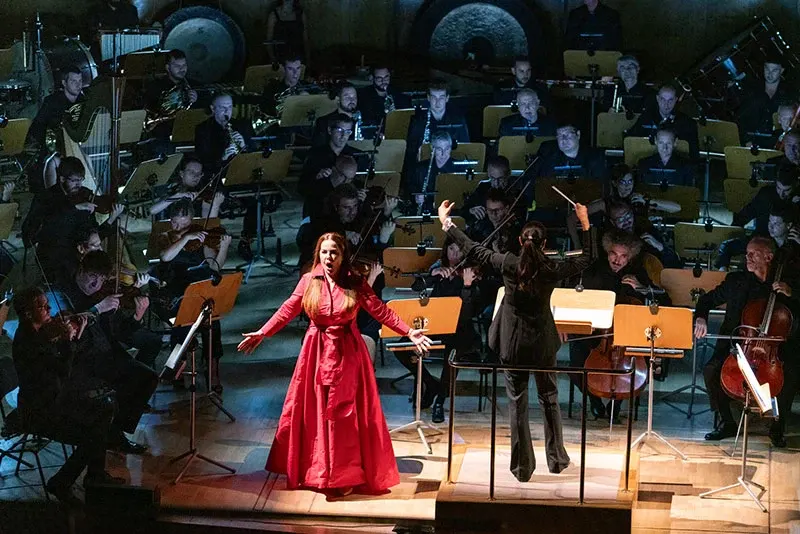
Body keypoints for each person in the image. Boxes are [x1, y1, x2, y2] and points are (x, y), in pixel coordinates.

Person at [238, 232, 431, 495]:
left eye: (334, 253)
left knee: (344, 416)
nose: (329, 258)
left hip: (348, 354)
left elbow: (379, 309)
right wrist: (263, 332)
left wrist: (408, 331)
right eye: (325, 252)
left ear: (343, 256)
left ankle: (344, 475)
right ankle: (319, 472)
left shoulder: (355, 281)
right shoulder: (308, 281)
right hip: (316, 353)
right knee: (316, 413)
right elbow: (287, 309)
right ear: (318, 254)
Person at [436, 198, 593, 480]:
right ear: (544, 245)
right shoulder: (552, 267)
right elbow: (586, 258)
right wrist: (584, 222)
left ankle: (522, 468)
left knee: (517, 402)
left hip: (513, 343)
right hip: (543, 342)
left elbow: (473, 249)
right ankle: (556, 460)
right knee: (549, 397)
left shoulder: (508, 263)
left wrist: (447, 223)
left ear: (522, 241)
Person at [12, 287, 122, 504]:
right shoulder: (29, 342)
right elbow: (63, 370)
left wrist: (74, 336)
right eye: (43, 306)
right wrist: (66, 340)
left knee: (106, 408)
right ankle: (63, 481)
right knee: (94, 432)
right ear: (27, 314)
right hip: (40, 410)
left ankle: (94, 475)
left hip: (56, 398)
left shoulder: (40, 332)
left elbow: (66, 367)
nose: (50, 309)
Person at [53, 251, 158, 454]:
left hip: (108, 354)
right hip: (82, 360)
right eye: (93, 276)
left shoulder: (102, 295)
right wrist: (97, 309)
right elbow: (67, 331)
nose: (96, 284)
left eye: (101, 279)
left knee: (148, 377)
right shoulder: (63, 294)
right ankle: (112, 435)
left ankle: (116, 431)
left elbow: (122, 333)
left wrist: (138, 316)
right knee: (126, 382)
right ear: (81, 270)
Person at [694, 236, 796, 447]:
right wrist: (701, 317)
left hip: (775, 348)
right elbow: (706, 300)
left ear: (769, 257)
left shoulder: (787, 283)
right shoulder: (736, 281)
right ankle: (727, 421)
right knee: (711, 370)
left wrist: (792, 294)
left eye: (753, 254)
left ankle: (777, 427)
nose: (747, 258)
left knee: (791, 374)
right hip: (738, 344)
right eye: (747, 253)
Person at [568, 230, 653, 419]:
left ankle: (618, 400)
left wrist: (642, 288)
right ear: (607, 252)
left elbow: (660, 297)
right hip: (594, 333)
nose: (617, 260)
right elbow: (576, 298)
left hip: (625, 334)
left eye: (623, 256)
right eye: (613, 254)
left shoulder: (637, 273)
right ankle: (594, 399)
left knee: (635, 360)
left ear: (630, 257)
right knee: (576, 365)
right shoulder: (593, 271)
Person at [157, 200, 233, 393]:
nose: (179, 228)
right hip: (175, 294)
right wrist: (185, 238)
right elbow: (165, 257)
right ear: (170, 220)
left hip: (198, 291)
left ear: (191, 220)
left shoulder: (201, 238)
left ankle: (213, 371)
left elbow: (214, 267)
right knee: (182, 325)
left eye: (184, 224)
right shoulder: (165, 237)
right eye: (176, 223)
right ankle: (177, 367)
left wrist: (223, 248)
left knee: (213, 323)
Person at [21, 157, 123, 283]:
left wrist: (111, 219)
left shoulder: (83, 195)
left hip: (78, 253)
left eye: (81, 180)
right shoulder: (45, 199)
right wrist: (74, 208)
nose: (79, 185)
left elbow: (91, 234)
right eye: (74, 181)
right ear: (62, 179)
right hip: (55, 255)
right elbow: (33, 233)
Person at [567, 164, 680, 246]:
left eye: (630, 181)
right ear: (614, 183)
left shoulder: (639, 199)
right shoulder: (605, 203)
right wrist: (577, 244)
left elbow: (676, 208)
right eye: (623, 182)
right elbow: (571, 218)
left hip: (643, 242)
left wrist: (648, 201)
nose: (627, 186)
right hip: (617, 243)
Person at [23, 66, 85, 193]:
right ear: (64, 83)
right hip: (54, 148)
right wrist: (54, 144)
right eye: (74, 81)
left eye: (80, 81)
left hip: (79, 147)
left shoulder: (85, 101)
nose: (78, 85)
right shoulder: (52, 102)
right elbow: (37, 127)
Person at [299, 113, 362, 217]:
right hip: (319, 212)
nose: (343, 136)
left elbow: (360, 183)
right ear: (329, 130)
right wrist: (317, 177)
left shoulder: (356, 156)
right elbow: (301, 188)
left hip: (347, 213)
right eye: (339, 130)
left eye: (347, 132)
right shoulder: (315, 155)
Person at [405, 80, 469, 175]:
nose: (437, 102)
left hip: (451, 171)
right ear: (428, 98)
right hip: (424, 172)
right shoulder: (418, 121)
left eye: (441, 98)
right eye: (434, 97)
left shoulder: (458, 120)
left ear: (447, 98)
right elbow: (411, 153)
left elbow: (465, 149)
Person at [142, 50, 198, 157]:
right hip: (163, 135)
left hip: (187, 134)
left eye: (184, 65)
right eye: (177, 66)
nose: (182, 69)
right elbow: (149, 109)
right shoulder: (156, 87)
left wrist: (196, 99)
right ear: (168, 68)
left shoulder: (192, 85)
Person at [627, 85, 699, 159]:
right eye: (663, 99)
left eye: (670, 100)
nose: (666, 104)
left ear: (676, 100)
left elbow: (694, 154)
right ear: (657, 99)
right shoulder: (646, 117)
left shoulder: (688, 123)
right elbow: (631, 139)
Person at [738, 58, 794, 148]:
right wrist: (747, 141)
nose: (769, 74)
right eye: (767, 69)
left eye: (774, 70)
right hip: (752, 143)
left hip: (778, 144)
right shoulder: (752, 90)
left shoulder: (789, 93)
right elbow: (741, 119)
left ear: (782, 71)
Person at [194, 93, 253, 176]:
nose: (227, 111)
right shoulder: (203, 129)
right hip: (217, 174)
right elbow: (203, 162)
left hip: (241, 171)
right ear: (213, 109)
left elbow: (253, 156)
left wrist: (243, 147)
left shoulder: (241, 126)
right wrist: (222, 158)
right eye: (222, 107)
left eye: (229, 107)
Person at [149, 155, 224, 219]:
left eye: (199, 173)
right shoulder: (172, 190)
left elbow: (208, 223)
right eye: (191, 172)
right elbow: (153, 210)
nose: (196, 176)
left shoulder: (204, 194)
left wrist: (216, 206)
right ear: (182, 173)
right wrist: (178, 196)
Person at [407, 130, 458, 214]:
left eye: (447, 149)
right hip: (428, 212)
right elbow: (411, 189)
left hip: (452, 212)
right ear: (432, 148)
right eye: (439, 149)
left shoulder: (459, 168)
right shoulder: (420, 169)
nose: (443, 154)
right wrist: (417, 197)